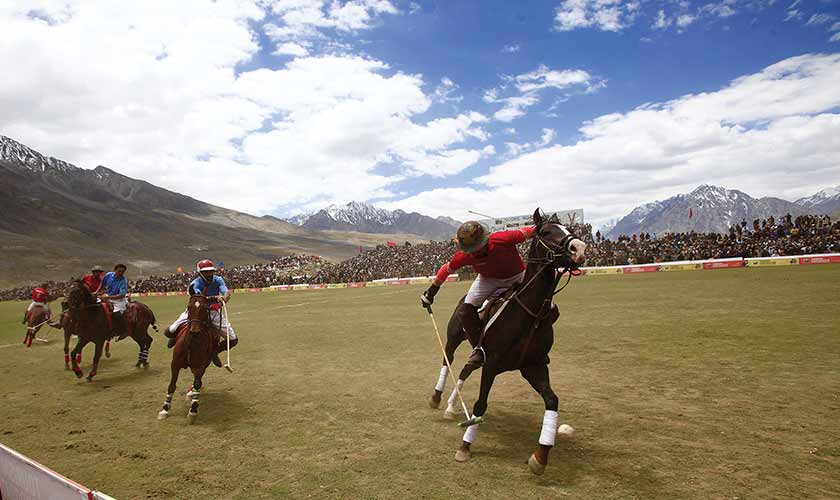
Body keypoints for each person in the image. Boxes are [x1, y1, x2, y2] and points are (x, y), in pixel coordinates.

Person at [420, 221, 536, 365]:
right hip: (488, 280)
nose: (476, 252)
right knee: (466, 308)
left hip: (517, 276)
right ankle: (479, 349)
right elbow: (447, 269)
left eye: (478, 247)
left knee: (541, 300)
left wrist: (543, 227)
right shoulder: (463, 255)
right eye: (471, 250)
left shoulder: (502, 238)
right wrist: (432, 291)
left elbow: (529, 231)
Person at [164, 259, 236, 367]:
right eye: (206, 272)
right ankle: (175, 337)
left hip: (213, 313)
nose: (209, 274)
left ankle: (214, 353)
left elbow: (225, 291)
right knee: (169, 331)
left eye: (211, 271)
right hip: (195, 312)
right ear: (200, 273)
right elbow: (198, 298)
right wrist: (215, 298)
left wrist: (224, 299)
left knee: (233, 339)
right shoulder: (195, 284)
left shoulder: (218, 280)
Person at [100, 264, 129, 336]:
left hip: (118, 300)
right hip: (107, 296)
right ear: (115, 270)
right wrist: (100, 293)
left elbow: (122, 295)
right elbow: (102, 286)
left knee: (117, 314)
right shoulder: (108, 275)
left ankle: (122, 330)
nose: (121, 273)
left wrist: (108, 298)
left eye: (123, 271)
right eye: (119, 271)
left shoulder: (123, 281)